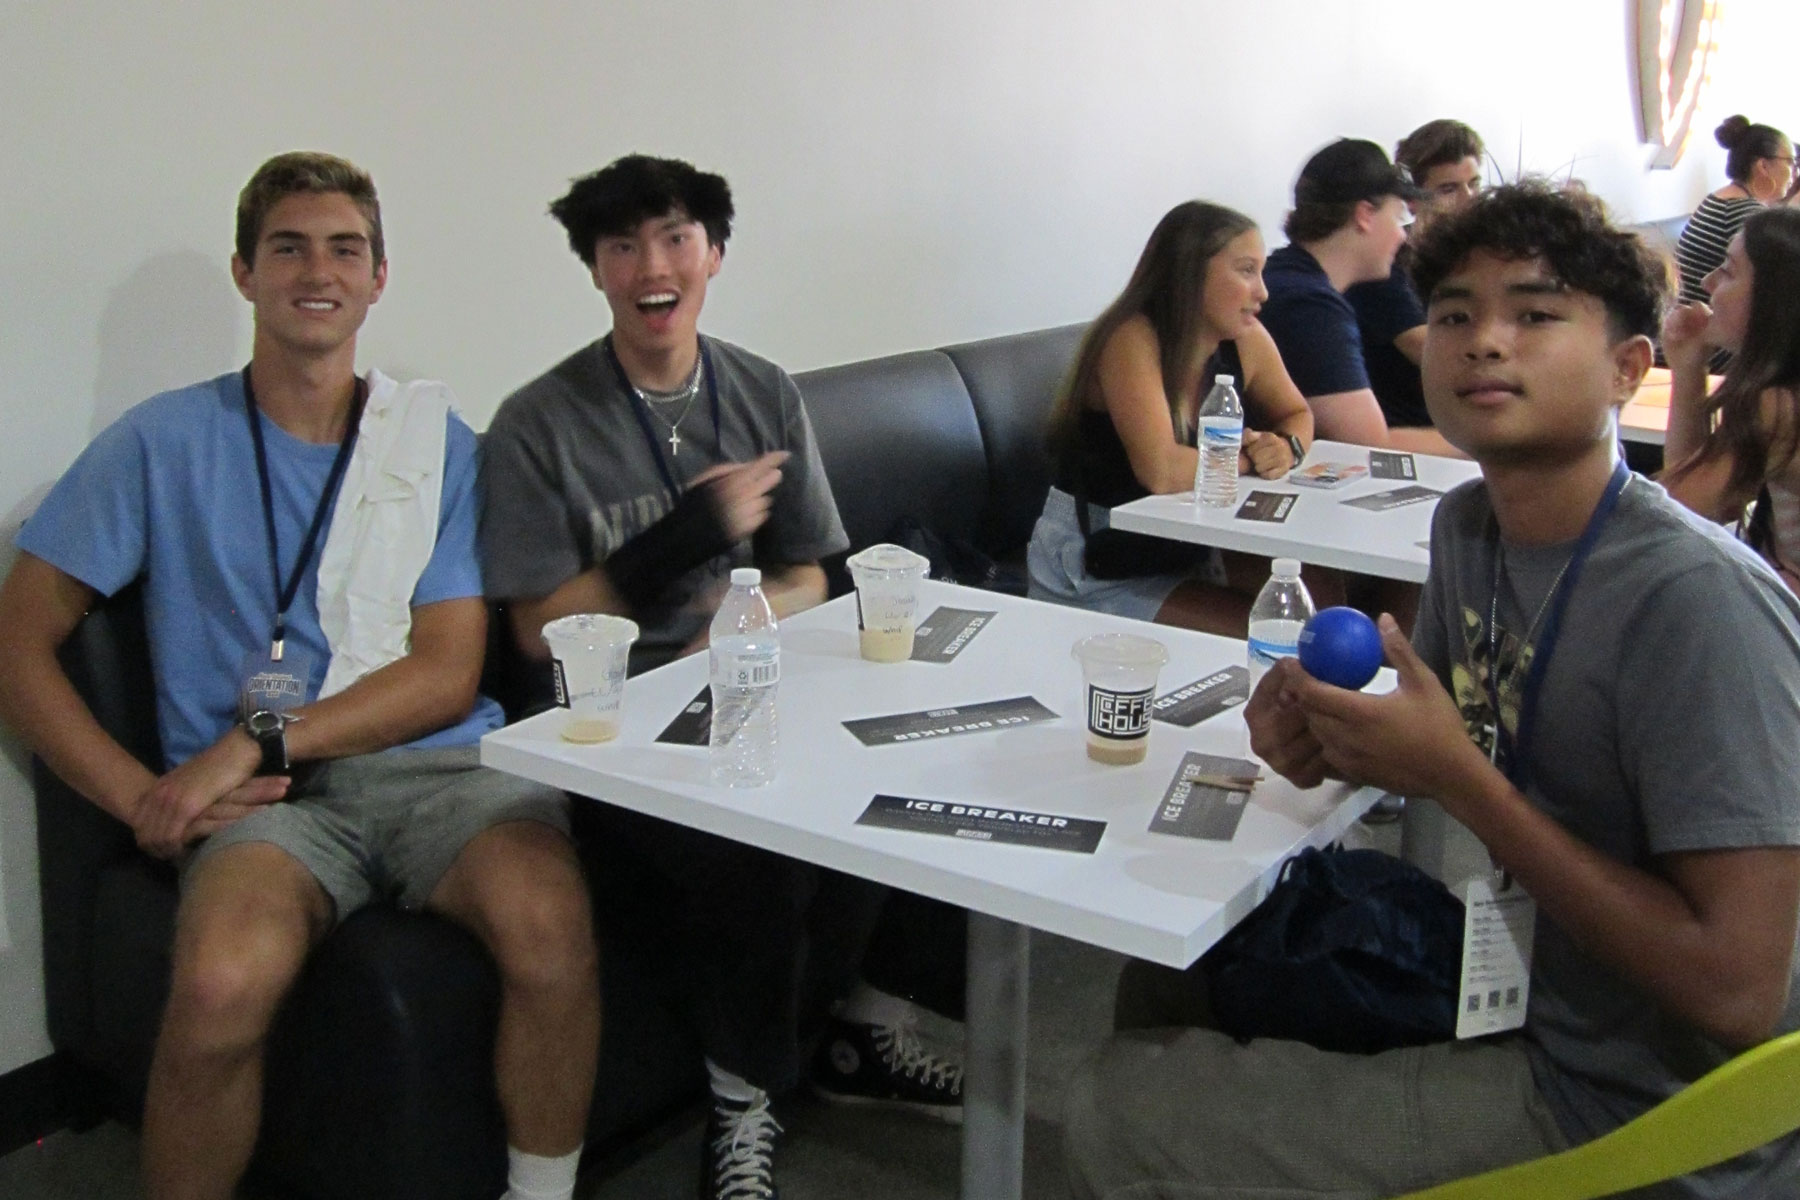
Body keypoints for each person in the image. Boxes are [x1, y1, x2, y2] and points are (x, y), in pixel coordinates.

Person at [1063, 183, 1800, 1199]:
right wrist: (1330, 738)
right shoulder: (1471, 531)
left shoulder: (1697, 605)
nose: (1483, 342)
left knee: (1114, 1102)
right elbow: (1459, 737)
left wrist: (1456, 777)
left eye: (1536, 314)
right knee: (1177, 970)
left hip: (1637, 1103)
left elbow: (1738, 990)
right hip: (1537, 984)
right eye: (1454, 313)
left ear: (1631, 367)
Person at [0, 153, 599, 1200]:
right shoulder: (161, 441)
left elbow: (447, 673)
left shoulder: (437, 448)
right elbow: (18, 640)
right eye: (287, 247)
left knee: (549, 928)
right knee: (222, 982)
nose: (316, 271)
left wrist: (256, 736)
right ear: (246, 273)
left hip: (440, 770)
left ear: (379, 278)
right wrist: (139, 794)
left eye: (344, 249)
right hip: (271, 810)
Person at [479, 154, 963, 1200]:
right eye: (622, 247)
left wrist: (740, 618)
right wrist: (677, 542)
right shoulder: (539, 425)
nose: (652, 267)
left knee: (928, 759)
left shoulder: (761, 391)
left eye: (675, 239)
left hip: (750, 683)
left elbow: (808, 574)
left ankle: (869, 1031)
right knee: (752, 843)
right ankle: (744, 1103)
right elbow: (530, 635)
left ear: (714, 254)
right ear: (597, 271)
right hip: (611, 730)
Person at [1026, 199, 1322, 634]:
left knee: (1321, 597)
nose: (1263, 292)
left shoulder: (1246, 340)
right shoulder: (1131, 338)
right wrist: (1247, 459)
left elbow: (1297, 413)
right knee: (1278, 633)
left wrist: (1286, 447)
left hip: (1184, 548)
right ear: (1190, 273)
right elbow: (1161, 470)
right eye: (1246, 271)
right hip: (1095, 563)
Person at [1260, 138, 1464, 458]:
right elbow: (1368, 445)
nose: (1402, 234)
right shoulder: (1310, 306)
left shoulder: (1283, 277)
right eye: (1398, 218)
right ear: (1365, 215)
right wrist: (1489, 442)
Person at [1662, 206, 1800, 591]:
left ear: (1776, 299)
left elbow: (1677, 510)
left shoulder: (1778, 406)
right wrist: (1689, 367)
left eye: (1727, 270)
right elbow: (1704, 496)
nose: (1707, 282)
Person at [1346, 119, 1487, 429]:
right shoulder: (1384, 262)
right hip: (1415, 436)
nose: (1469, 199)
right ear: (1412, 199)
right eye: (1449, 189)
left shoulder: (1484, 257)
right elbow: (1435, 354)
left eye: (1474, 184)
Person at [1673, 116, 1794, 372]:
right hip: (1717, 347)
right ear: (1763, 166)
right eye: (1791, 162)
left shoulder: (1718, 200)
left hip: (1700, 330)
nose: (1794, 173)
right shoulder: (1748, 216)